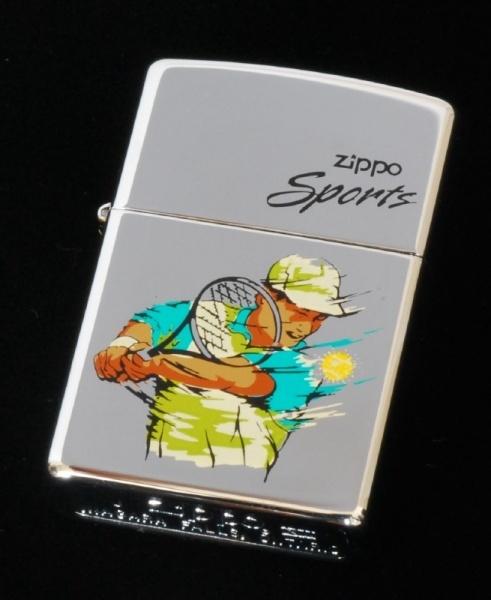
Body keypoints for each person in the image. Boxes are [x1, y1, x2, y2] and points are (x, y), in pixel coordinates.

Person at [94, 255, 360, 476]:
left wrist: (155, 365)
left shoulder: (303, 367)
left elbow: (233, 377)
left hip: (242, 487)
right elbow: (154, 320)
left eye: (319, 318)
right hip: (154, 470)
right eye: (299, 311)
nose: (306, 326)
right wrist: (122, 346)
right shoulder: (205, 313)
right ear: (265, 296)